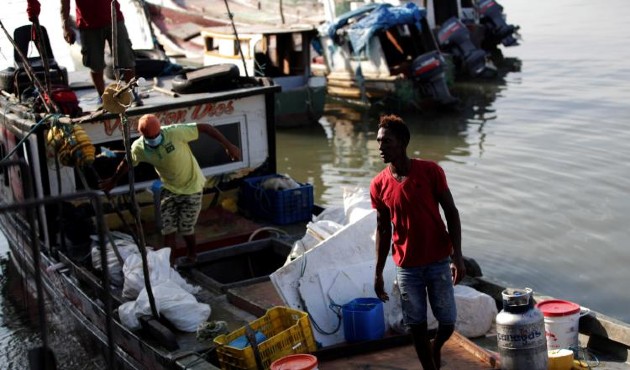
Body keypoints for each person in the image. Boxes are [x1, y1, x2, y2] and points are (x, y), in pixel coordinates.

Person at [370, 114, 465, 370]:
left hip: (437, 260)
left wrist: (457, 256)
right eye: (379, 141)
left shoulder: (430, 171)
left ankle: (435, 350)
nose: (380, 147)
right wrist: (378, 272)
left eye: (386, 142)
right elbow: (382, 228)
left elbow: (451, 212)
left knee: (447, 323)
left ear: (402, 143)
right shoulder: (379, 185)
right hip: (407, 266)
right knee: (415, 325)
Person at [100, 114, 241, 266]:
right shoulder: (139, 147)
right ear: (142, 135)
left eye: (156, 134)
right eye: (149, 136)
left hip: (191, 186)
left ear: (160, 130)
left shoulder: (174, 133)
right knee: (168, 229)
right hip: (169, 188)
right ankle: (170, 264)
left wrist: (229, 146)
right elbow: (127, 162)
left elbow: (206, 128)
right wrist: (113, 181)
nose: (154, 138)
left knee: (185, 228)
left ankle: (192, 255)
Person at [60, 0, 141, 106]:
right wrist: (65, 26)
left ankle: (132, 93)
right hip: (88, 25)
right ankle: (103, 97)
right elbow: (65, 3)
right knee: (95, 64)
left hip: (115, 19)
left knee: (126, 58)